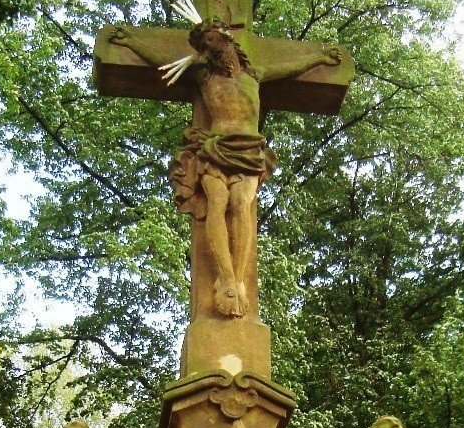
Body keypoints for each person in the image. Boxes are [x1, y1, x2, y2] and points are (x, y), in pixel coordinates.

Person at [110, 17, 343, 317]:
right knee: (218, 200)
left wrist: (320, 57)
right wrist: (131, 42)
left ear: (226, 40)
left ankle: (240, 276)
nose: (209, 51)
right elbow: (163, 61)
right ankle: (227, 276)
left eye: (211, 42)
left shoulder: (255, 75)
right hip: (215, 148)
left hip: (248, 151)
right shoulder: (204, 78)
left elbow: (293, 67)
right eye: (203, 48)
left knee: (240, 202)